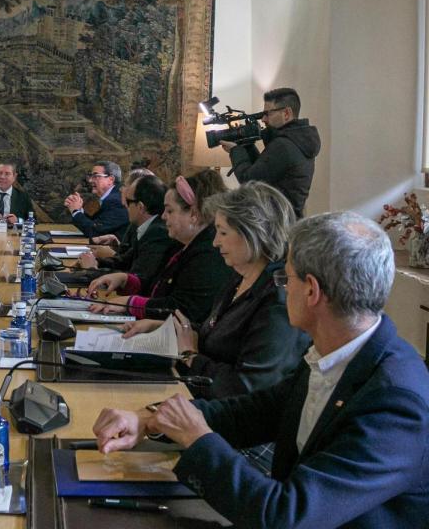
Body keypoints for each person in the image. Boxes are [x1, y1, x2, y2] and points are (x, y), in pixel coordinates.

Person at [92, 212, 429, 528]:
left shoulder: (395, 402)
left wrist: (197, 438)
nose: (283, 288)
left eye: (287, 278)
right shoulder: (337, 354)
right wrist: (150, 421)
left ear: (311, 290)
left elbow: (287, 517)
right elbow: (252, 413)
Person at [119, 182, 310, 399]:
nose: (216, 242)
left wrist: (190, 355)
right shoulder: (240, 277)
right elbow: (219, 334)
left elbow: (245, 388)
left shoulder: (278, 299)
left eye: (223, 232)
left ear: (253, 234)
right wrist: (167, 328)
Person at [87, 170, 231, 323]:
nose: (163, 216)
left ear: (193, 214)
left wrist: (131, 303)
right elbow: (156, 286)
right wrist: (124, 279)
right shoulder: (180, 245)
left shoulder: (207, 255)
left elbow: (183, 309)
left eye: (169, 210)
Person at [221, 87, 321, 218]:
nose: (263, 119)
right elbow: (263, 172)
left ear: (286, 113)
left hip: (276, 225)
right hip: (287, 220)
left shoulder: (284, 145)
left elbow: (250, 181)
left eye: (268, 114)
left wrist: (235, 150)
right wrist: (246, 144)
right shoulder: (298, 140)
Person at [77, 174, 180, 293]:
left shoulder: (158, 232)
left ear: (140, 207)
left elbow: (137, 280)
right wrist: (96, 261)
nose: (124, 205)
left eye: (128, 201)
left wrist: (91, 269)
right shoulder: (147, 226)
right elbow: (124, 262)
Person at [64, 161, 130, 238]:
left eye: (95, 176)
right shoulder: (112, 196)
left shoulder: (116, 200)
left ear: (111, 179)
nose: (90, 180)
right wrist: (78, 209)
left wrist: (75, 211)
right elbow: (95, 224)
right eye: (91, 176)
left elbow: (95, 232)